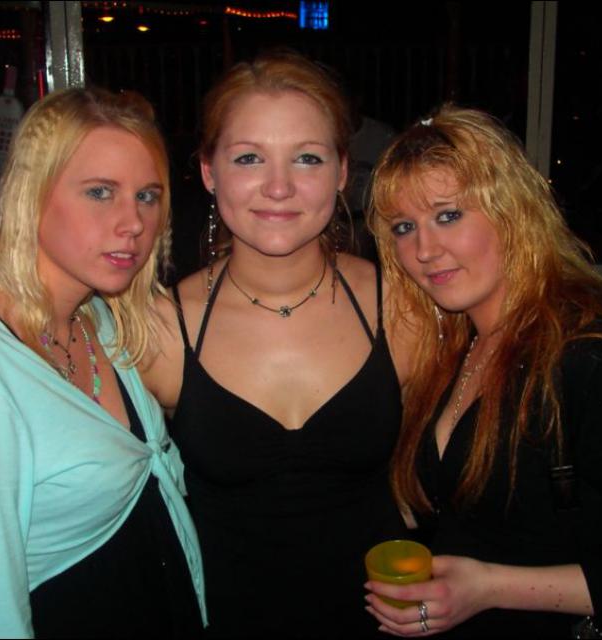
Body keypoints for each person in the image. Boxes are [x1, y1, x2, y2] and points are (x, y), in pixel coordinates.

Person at [140, 51, 415, 638]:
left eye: (307, 157)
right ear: (209, 172)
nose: (279, 187)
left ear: (342, 171)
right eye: (248, 158)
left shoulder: (401, 306)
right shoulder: (161, 327)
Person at [365, 104, 602, 637]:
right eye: (405, 227)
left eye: (448, 216)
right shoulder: (452, 345)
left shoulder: (592, 354)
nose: (424, 250)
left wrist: (487, 588)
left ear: (511, 211)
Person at [0, 87, 207, 638]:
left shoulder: (101, 319)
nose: (133, 222)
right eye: (100, 192)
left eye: (147, 196)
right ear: (32, 194)